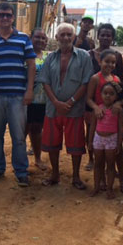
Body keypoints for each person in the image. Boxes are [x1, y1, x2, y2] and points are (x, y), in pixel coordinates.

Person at [0, 2, 36, 186]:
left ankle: (21, 171)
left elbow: (31, 66)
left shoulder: (23, 39)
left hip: (17, 97)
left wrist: (29, 90)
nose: (5, 18)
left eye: (8, 15)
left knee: (18, 137)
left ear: (13, 18)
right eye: (1, 15)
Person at [39, 23, 92, 189]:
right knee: (52, 144)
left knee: (76, 145)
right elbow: (45, 82)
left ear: (74, 37)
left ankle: (76, 177)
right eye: (62, 35)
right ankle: (55, 174)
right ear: (56, 38)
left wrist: (70, 102)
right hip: (53, 109)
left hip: (74, 110)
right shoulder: (50, 58)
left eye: (69, 35)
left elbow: (86, 83)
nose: (66, 38)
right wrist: (55, 102)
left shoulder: (84, 56)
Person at [87, 49, 123, 193]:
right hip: (100, 118)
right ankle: (103, 182)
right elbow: (88, 98)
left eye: (113, 62)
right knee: (101, 155)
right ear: (100, 61)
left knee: (118, 151)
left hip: (114, 118)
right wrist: (96, 109)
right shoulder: (95, 78)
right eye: (107, 61)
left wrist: (119, 103)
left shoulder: (116, 79)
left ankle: (122, 179)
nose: (110, 64)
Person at [84, 23, 123, 172]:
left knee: (114, 131)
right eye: (103, 34)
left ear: (112, 38)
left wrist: (119, 103)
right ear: (98, 36)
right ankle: (92, 159)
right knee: (91, 130)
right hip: (93, 102)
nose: (105, 37)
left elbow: (121, 82)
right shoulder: (89, 54)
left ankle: (113, 163)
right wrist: (94, 107)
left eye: (109, 35)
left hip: (112, 105)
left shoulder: (117, 56)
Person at [26, 27, 49, 171]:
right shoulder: (24, 55)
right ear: (31, 38)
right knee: (22, 130)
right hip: (25, 99)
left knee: (37, 130)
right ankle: (20, 160)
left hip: (42, 100)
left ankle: (38, 158)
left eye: (43, 38)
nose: (40, 40)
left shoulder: (49, 57)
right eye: (37, 37)